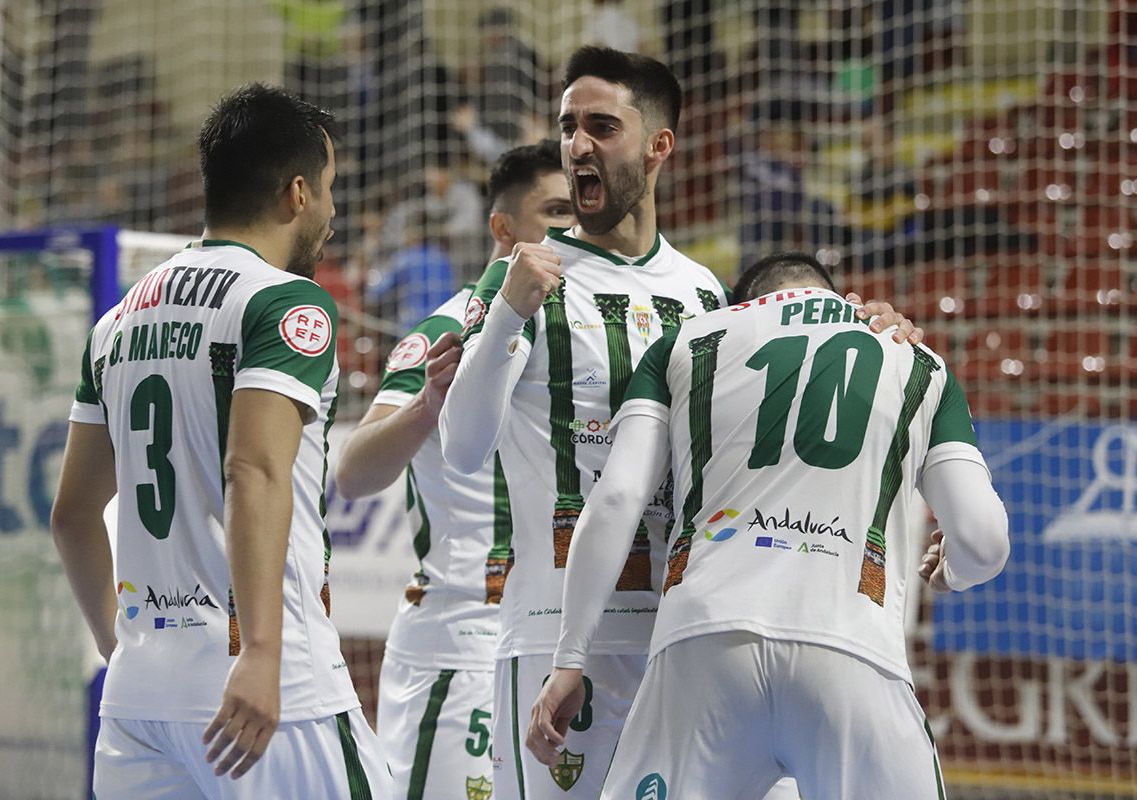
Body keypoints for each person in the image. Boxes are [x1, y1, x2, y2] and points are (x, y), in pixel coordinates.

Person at [439, 47, 921, 800]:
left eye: (602, 126)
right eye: (569, 128)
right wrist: (508, 310)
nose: (577, 147)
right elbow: (462, 449)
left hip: (684, 642)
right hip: (554, 634)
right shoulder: (522, 277)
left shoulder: (703, 294)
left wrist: (868, 329)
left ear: (659, 145)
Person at [528, 253, 1010, 799]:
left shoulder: (687, 341)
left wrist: (569, 659)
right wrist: (953, 571)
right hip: (850, 649)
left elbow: (617, 498)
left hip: (704, 645)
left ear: (745, 302)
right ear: (839, 298)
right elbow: (985, 541)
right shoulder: (915, 358)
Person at [49, 84, 392, 798]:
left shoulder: (115, 322)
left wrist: (125, 649)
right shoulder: (286, 301)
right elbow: (254, 471)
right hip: (267, 687)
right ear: (298, 193)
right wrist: (263, 653)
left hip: (140, 699)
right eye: (329, 191)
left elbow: (73, 513)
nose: (332, 215)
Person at [335, 140, 573, 799]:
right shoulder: (449, 326)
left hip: (561, 642)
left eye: (579, 212)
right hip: (467, 637)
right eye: (553, 213)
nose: (571, 229)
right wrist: (426, 406)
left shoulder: (590, 336)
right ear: (503, 229)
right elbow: (352, 473)